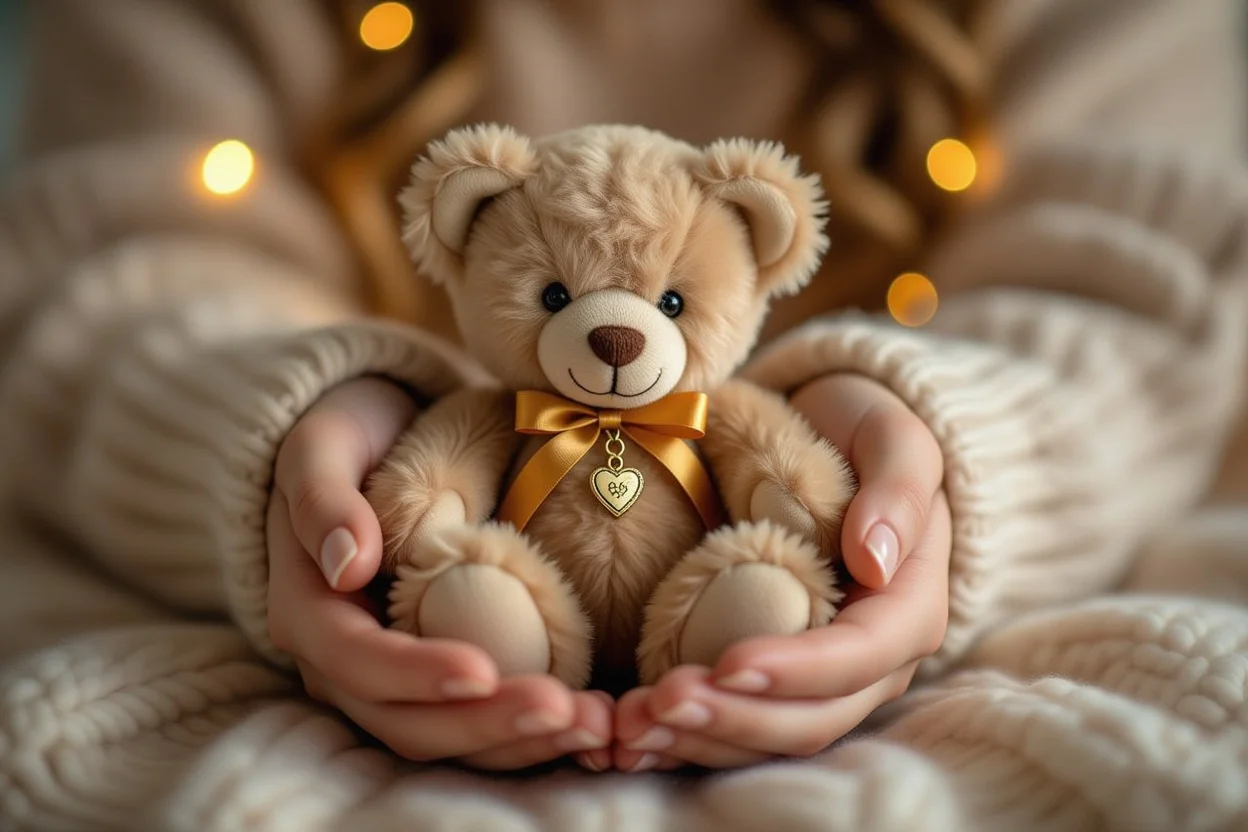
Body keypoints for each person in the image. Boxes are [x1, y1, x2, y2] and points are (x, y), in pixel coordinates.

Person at [2, 0, 1247, 828]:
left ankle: (741, 606)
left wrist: (911, 456)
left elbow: (1142, 288)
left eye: (658, 300)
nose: (611, 330)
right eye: (558, 293)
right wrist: (301, 434)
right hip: (443, 535)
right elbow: (101, 259)